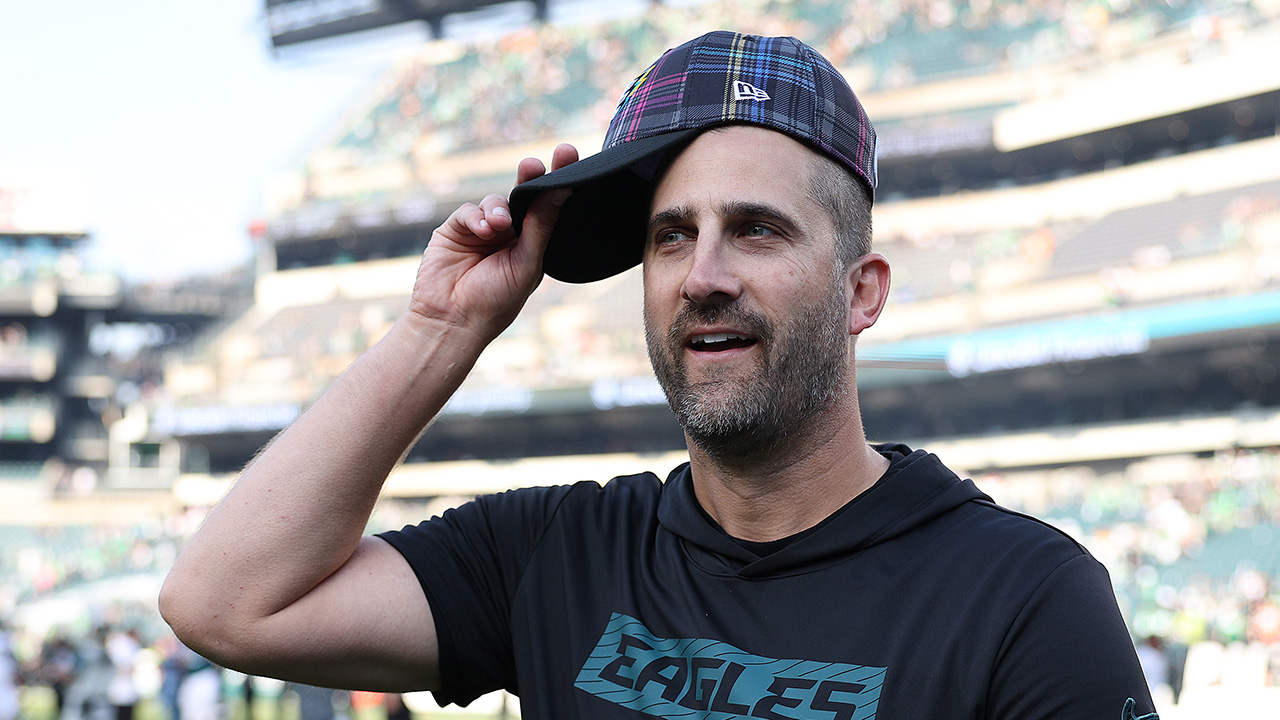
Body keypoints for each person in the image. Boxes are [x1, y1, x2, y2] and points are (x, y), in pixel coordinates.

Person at [159, 31, 1160, 720]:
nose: (702, 278)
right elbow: (224, 603)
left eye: (755, 231)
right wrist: (441, 328)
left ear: (861, 293)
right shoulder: (552, 553)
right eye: (668, 239)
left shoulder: (1022, 595)